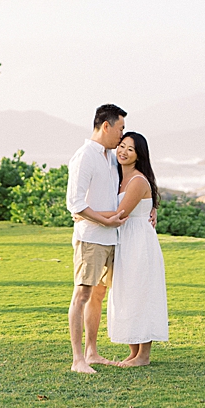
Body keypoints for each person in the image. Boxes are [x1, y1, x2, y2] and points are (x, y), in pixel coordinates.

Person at [65, 104, 127, 374]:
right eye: (120, 128)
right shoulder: (84, 157)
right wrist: (106, 220)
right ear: (106, 126)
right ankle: (78, 359)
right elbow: (75, 204)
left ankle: (92, 352)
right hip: (90, 238)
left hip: (109, 237)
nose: (122, 135)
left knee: (98, 295)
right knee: (82, 294)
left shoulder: (109, 157)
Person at [102, 132, 169, 365]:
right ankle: (133, 351)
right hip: (126, 240)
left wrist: (83, 213)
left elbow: (121, 213)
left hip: (139, 242)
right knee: (127, 293)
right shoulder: (118, 176)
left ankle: (144, 355)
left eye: (130, 149)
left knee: (141, 292)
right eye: (121, 146)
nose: (123, 152)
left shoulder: (138, 180)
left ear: (139, 155)